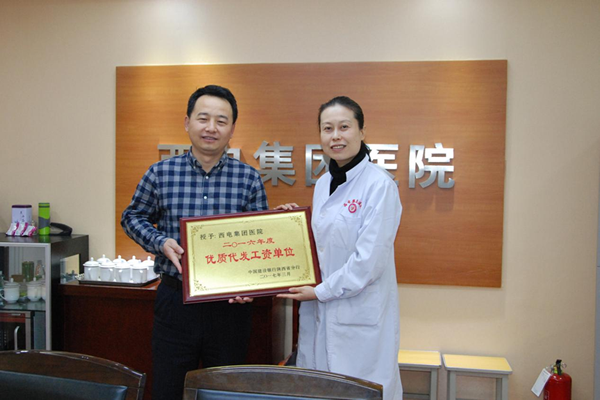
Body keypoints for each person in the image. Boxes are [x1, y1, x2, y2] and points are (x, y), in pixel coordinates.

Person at [121, 85, 268, 400]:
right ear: (187, 122)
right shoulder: (160, 173)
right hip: (176, 301)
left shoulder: (249, 179)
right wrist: (160, 242)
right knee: (168, 389)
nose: (211, 128)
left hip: (229, 307)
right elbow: (132, 217)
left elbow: (259, 240)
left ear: (232, 129)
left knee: (225, 393)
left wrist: (252, 285)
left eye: (221, 121)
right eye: (203, 118)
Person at [277, 96, 403, 399]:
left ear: (362, 131)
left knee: (358, 390)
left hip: (359, 317)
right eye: (327, 128)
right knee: (320, 389)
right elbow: (325, 245)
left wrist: (320, 291)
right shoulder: (323, 184)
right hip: (321, 313)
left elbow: (368, 263)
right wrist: (289, 225)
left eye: (344, 127)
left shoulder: (380, 185)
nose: (336, 136)